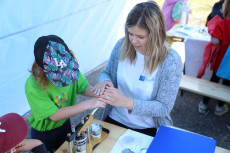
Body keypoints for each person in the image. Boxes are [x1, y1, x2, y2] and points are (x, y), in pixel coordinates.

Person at [92, 1, 182, 137]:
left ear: (157, 33)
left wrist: (127, 102)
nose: (133, 41)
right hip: (114, 120)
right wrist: (105, 81)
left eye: (140, 37)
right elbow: (107, 72)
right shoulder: (121, 45)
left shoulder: (170, 61)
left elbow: (164, 107)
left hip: (147, 129)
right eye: (130, 34)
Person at [25, 35, 106, 153]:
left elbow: (84, 87)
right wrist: (87, 104)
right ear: (41, 68)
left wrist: (97, 92)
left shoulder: (70, 69)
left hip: (65, 125)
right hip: (43, 133)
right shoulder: (33, 85)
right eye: (58, 75)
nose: (64, 77)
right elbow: (54, 115)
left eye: (66, 72)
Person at [198, 0, 230, 116]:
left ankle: (204, 104)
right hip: (229, 66)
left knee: (213, 82)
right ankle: (219, 107)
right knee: (226, 85)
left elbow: (215, 41)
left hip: (219, 61)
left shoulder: (222, 23)